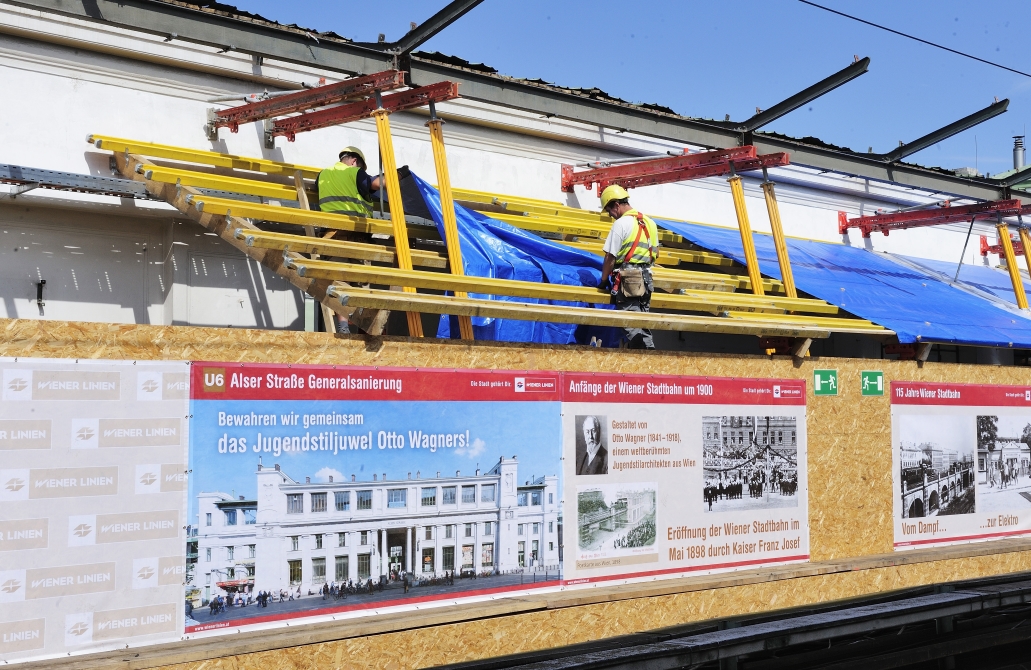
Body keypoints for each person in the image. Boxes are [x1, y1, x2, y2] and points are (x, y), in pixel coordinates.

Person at [316, 146, 383, 334]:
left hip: (332, 235)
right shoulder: (356, 173)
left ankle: (343, 327)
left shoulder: (323, 175)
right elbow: (377, 184)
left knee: (339, 282)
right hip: (356, 236)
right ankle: (363, 328)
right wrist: (397, 175)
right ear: (354, 161)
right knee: (361, 283)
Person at [597, 184, 660, 350]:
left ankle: (642, 356)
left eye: (609, 210)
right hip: (647, 281)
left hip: (629, 282)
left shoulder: (621, 224)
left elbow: (610, 258)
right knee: (642, 324)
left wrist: (603, 282)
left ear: (616, 205)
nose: (610, 215)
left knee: (631, 324)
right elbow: (656, 253)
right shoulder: (650, 223)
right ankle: (649, 359)